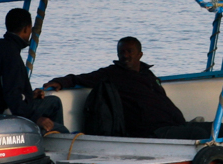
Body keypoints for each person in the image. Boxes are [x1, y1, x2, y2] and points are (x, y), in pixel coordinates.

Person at [43, 36, 187, 138]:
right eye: (121, 52)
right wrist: (60, 82)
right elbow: (79, 78)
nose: (125, 56)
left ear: (140, 54)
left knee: (206, 127)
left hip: (174, 125)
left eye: (129, 51)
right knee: (205, 133)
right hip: (151, 131)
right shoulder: (112, 74)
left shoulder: (147, 74)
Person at [0, 8, 68, 133]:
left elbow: (8, 88)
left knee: (53, 102)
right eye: (30, 29)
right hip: (2, 113)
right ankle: (49, 136)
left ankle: (45, 135)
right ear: (26, 29)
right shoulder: (10, 55)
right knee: (63, 131)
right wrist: (37, 119)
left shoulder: (0, 48)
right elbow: (12, 97)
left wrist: (29, 95)